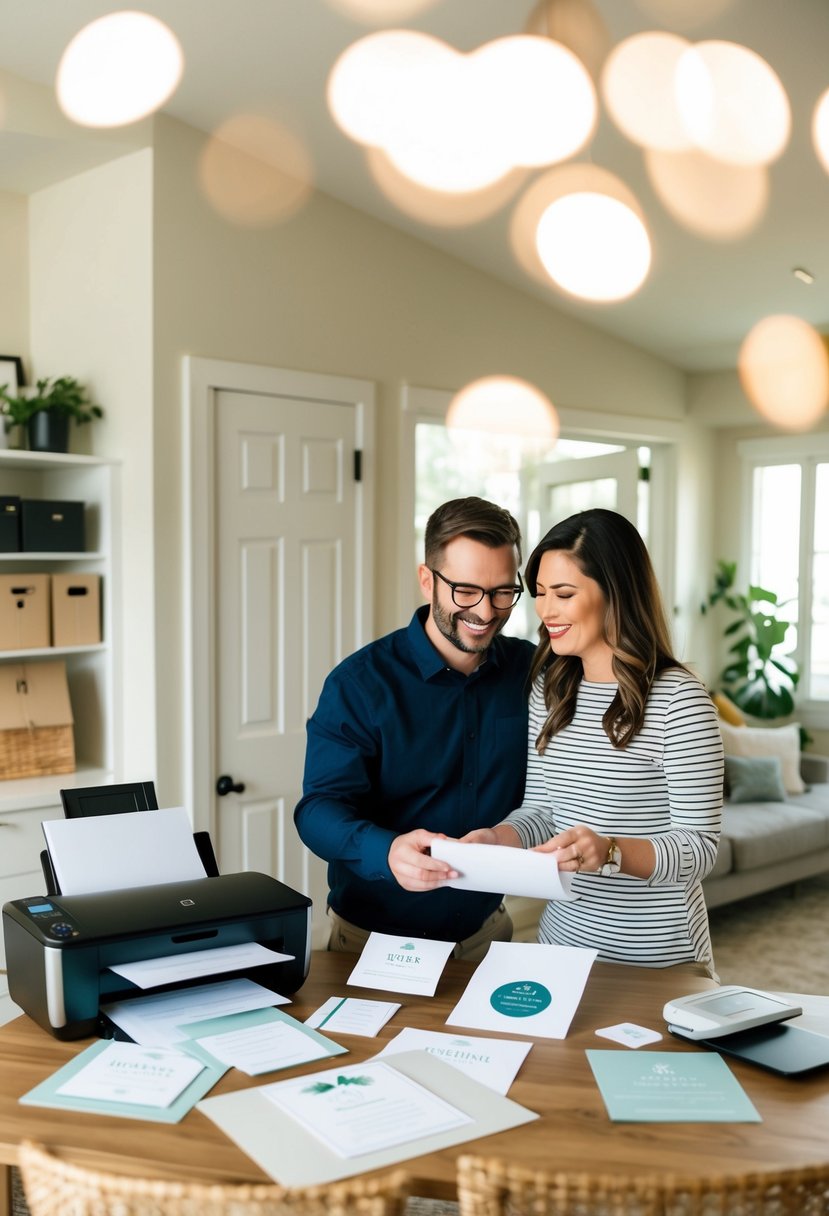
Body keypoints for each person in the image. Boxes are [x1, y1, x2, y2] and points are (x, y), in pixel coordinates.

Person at [465, 508, 723, 972]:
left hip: (658, 958)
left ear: (615, 594)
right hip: (563, 949)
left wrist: (611, 851)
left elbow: (699, 847)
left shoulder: (679, 700)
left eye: (564, 594)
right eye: (540, 593)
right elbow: (543, 811)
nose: (545, 611)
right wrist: (499, 837)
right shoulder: (551, 688)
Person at [294, 496, 535, 960]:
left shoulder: (532, 672)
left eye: (503, 592)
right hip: (374, 944)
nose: (486, 612)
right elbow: (318, 810)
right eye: (465, 591)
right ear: (427, 579)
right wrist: (386, 852)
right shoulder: (359, 685)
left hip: (490, 935)